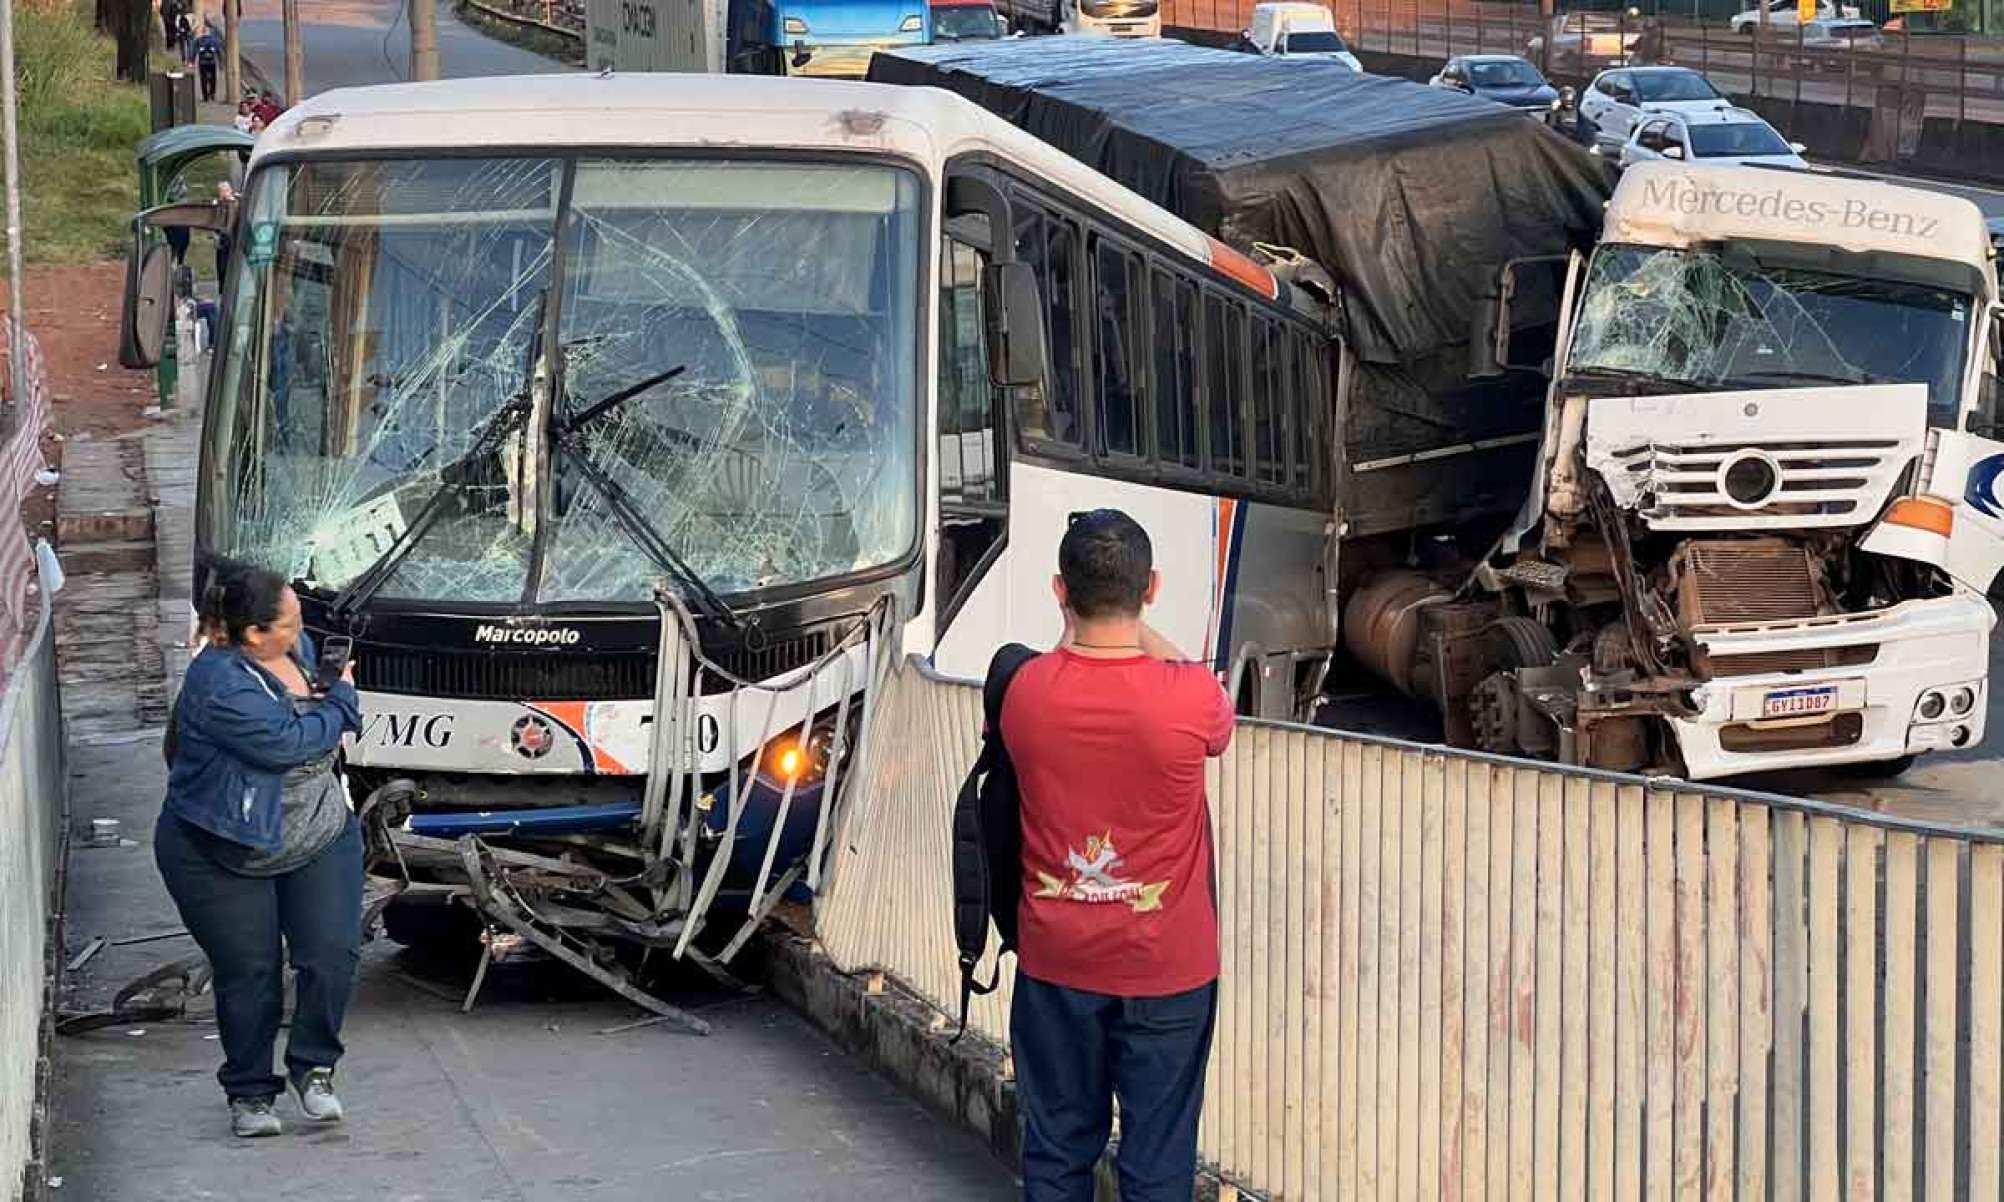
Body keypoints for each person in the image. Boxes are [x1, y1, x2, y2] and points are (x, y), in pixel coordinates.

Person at [998, 509, 1233, 1201]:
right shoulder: (1190, 697)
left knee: (1056, 1151)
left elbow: (1056, 661)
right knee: (1158, 1162)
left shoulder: (1024, 693)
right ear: (1151, 588)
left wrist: (1076, 622)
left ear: (1058, 591)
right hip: (1168, 965)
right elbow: (1212, 715)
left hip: (1057, 960)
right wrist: (1138, 626)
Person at [155, 559, 365, 1139]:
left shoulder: (297, 650)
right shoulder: (220, 682)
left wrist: (330, 691)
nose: (302, 630)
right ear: (252, 634)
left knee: (332, 954)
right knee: (250, 972)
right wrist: (343, 702)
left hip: (318, 832)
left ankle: (314, 1068)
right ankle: (249, 1092)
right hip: (223, 849)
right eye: (290, 622)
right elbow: (285, 745)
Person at [192, 24, 223, 102]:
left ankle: (205, 96)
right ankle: (212, 94)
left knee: (203, 79)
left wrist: (192, 61)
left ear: (203, 32)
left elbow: (194, 51)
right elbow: (219, 51)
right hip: (212, 62)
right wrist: (221, 63)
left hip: (202, 62)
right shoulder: (214, 40)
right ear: (209, 32)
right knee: (213, 79)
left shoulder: (199, 40)